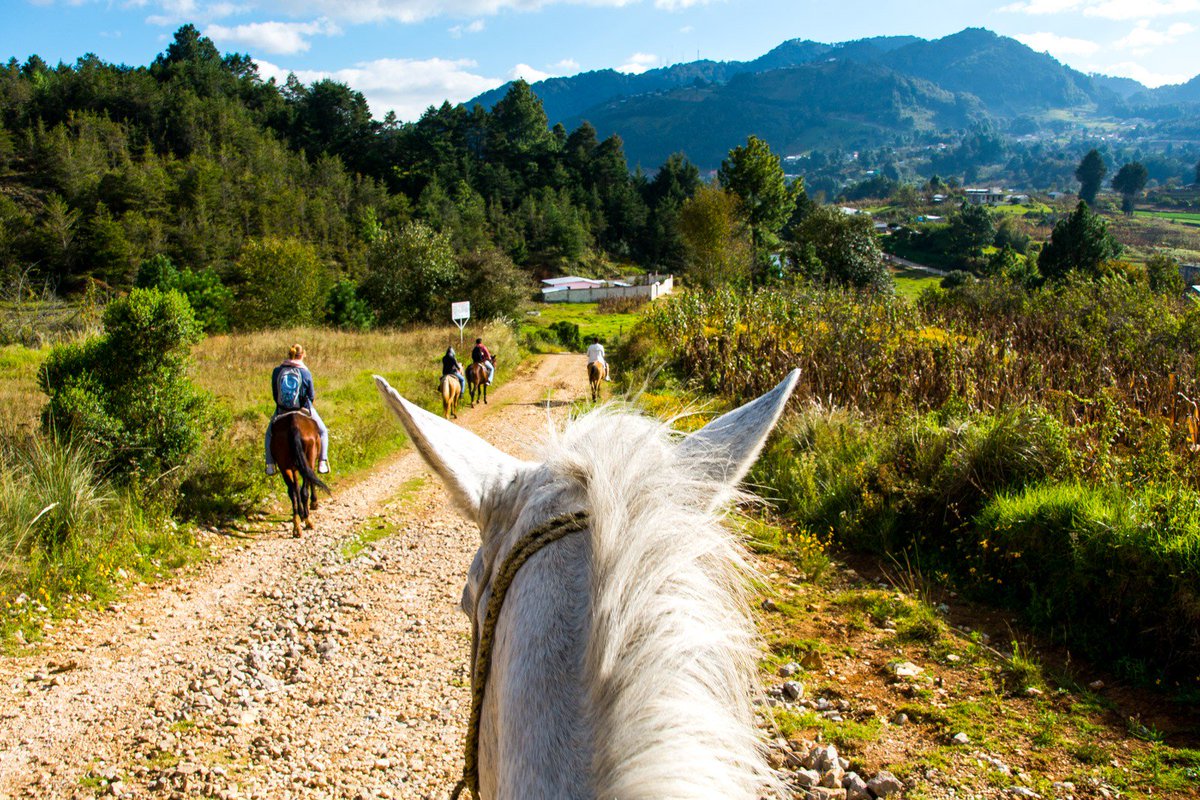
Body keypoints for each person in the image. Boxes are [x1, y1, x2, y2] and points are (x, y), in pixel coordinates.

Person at [265, 344, 329, 476]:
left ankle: (270, 464)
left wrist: (283, 406)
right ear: (303, 355)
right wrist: (306, 407)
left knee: (269, 434)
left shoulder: (277, 371)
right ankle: (322, 461)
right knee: (323, 431)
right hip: (302, 407)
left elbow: (275, 393)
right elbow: (311, 395)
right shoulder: (305, 372)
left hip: (282, 410)